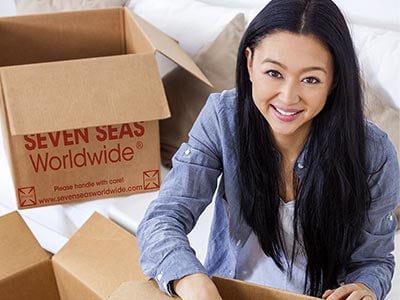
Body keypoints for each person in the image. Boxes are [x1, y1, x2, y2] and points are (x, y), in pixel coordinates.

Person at [137, 0, 400, 299]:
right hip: (229, 292)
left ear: (334, 80)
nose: (288, 98)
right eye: (274, 73)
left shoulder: (374, 153)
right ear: (250, 63)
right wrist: (191, 280)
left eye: (310, 79)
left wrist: (365, 287)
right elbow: (164, 218)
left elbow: (374, 261)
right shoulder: (223, 119)